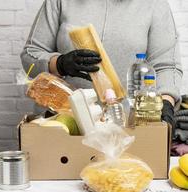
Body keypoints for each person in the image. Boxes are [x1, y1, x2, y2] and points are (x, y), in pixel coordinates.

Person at [21, 0, 183, 134]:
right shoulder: (60, 2)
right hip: (63, 125)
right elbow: (30, 55)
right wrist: (60, 63)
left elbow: (166, 66)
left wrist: (165, 103)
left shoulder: (154, 4)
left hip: (127, 129)